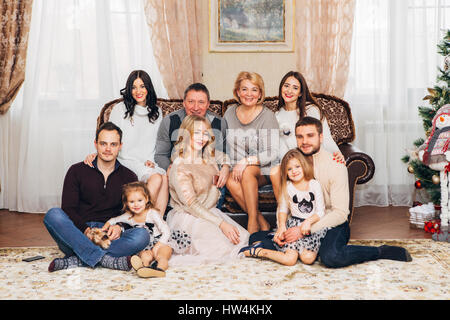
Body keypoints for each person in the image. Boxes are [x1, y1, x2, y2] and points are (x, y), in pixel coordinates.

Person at [266, 116, 412, 268]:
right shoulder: (293, 163)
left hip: (331, 222)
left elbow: (341, 213)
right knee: (259, 240)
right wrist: (282, 227)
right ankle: (309, 249)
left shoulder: (336, 166)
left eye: (310, 135)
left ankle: (380, 251)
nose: (305, 141)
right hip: (299, 221)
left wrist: (304, 231)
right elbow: (284, 201)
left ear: (321, 137)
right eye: (300, 136)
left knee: (332, 257)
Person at [43, 122, 150, 272]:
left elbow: (132, 212)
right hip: (78, 233)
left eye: (113, 144)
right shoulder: (76, 170)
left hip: (109, 236)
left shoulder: (129, 176)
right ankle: (106, 260)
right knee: (53, 215)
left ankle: (79, 259)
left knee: (142, 235)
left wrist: (120, 226)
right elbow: (68, 209)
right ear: (95, 144)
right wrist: (86, 231)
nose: (108, 149)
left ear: (120, 146)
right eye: (103, 144)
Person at [166, 115, 249, 265]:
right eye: (196, 133)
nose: (202, 138)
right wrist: (221, 224)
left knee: (242, 239)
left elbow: (224, 157)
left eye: (205, 133)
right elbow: (192, 205)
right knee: (220, 251)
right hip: (189, 216)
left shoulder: (206, 154)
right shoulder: (180, 165)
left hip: (209, 212)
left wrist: (225, 168)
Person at [85, 70, 169, 215]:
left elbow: (157, 142)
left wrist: (151, 160)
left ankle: (156, 225)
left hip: (146, 161)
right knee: (156, 178)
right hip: (126, 160)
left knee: (164, 178)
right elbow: (110, 136)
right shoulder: (119, 109)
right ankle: (137, 220)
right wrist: (97, 154)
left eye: (142, 86)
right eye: (134, 87)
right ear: (129, 90)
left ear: (148, 88)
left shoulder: (157, 112)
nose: (138, 91)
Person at [240, 149, 328, 266]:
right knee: (290, 260)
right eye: (289, 169)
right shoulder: (288, 186)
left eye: (297, 166)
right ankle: (260, 252)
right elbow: (283, 209)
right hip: (294, 225)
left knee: (308, 259)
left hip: (311, 225)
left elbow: (321, 211)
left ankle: (274, 246)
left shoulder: (314, 184)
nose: (294, 171)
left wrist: (308, 222)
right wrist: (282, 226)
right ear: (285, 172)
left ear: (304, 166)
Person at [271, 71, 344, 202]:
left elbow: (324, 137)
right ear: (281, 88)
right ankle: (284, 213)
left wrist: (336, 153)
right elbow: (280, 148)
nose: (289, 91)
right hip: (291, 162)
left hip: (311, 158)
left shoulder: (310, 110)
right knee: (276, 171)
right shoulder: (277, 115)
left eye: (295, 88)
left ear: (300, 93)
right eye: (286, 86)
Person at [224, 71, 280, 234]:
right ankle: (261, 221)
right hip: (238, 168)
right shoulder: (229, 113)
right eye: (245, 89)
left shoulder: (267, 116)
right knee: (230, 180)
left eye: (254, 89)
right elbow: (223, 145)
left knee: (248, 171)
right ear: (238, 92)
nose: (249, 94)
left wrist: (246, 161)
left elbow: (272, 152)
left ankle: (252, 225)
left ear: (260, 93)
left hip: (264, 167)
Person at [104, 181, 173, 278]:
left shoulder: (152, 213)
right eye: (132, 202)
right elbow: (113, 220)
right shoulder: (129, 216)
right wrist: (104, 228)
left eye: (140, 200)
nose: (136, 205)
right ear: (126, 203)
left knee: (161, 256)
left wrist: (157, 246)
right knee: (145, 255)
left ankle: (159, 270)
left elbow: (166, 231)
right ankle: (144, 268)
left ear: (146, 199)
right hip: (146, 245)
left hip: (162, 241)